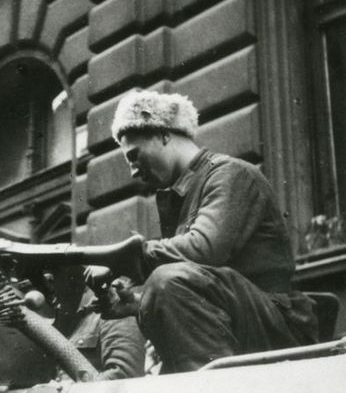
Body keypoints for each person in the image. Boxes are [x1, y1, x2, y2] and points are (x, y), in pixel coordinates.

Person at [100, 88, 318, 373]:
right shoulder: (185, 192)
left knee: (168, 280)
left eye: (134, 155)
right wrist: (140, 303)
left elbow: (205, 249)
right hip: (250, 321)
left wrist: (131, 257)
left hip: (279, 329)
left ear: (164, 134)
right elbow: (206, 289)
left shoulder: (230, 174)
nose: (133, 171)